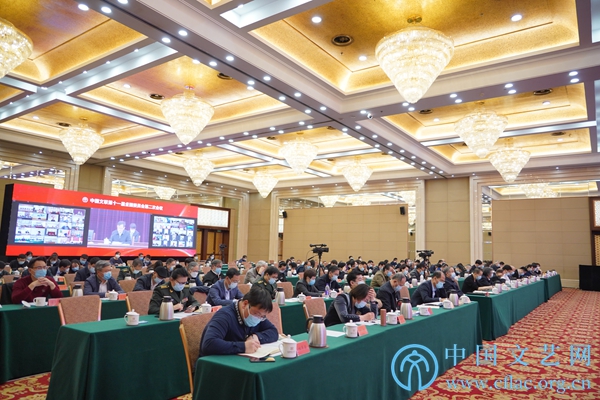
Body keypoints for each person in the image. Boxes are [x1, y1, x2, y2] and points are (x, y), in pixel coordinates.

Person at [200, 286, 278, 356]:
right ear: (245, 304)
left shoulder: (259, 316)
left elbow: (273, 332)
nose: (258, 318)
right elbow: (209, 344)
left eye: (262, 316)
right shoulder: (224, 316)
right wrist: (243, 346)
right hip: (216, 363)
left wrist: (256, 336)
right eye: (256, 314)